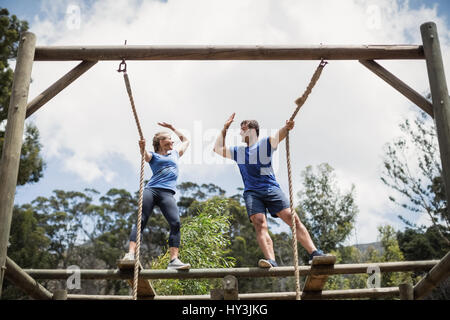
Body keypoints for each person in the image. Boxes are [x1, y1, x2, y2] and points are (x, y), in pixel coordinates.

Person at [213, 113, 326, 268]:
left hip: (271, 188)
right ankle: (271, 260)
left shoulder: (265, 144)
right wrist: (225, 128)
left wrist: (286, 128)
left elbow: (278, 136)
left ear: (252, 130)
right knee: (259, 223)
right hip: (252, 192)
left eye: (243, 129)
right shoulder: (239, 152)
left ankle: (314, 253)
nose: (240, 133)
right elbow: (217, 148)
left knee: (292, 218)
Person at [123, 122, 191, 270]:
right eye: (169, 138)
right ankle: (130, 254)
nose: (172, 141)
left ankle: (173, 260)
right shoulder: (153, 156)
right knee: (141, 221)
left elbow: (186, 140)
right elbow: (145, 156)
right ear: (161, 142)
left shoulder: (175, 154)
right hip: (152, 190)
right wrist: (142, 148)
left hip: (167, 194)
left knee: (176, 223)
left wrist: (173, 128)